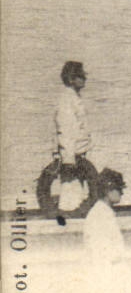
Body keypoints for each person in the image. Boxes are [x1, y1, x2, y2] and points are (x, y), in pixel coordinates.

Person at [45, 61, 96, 217]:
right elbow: (65, 131)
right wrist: (68, 160)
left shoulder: (74, 98)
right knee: (70, 189)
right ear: (71, 79)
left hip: (79, 153)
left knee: (76, 189)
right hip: (72, 155)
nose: (84, 80)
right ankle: (66, 217)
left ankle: (73, 214)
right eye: (80, 77)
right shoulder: (66, 100)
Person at [82, 167, 125, 264]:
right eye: (118, 189)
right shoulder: (99, 216)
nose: (122, 193)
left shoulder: (104, 212)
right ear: (107, 191)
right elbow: (100, 255)